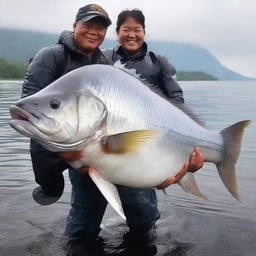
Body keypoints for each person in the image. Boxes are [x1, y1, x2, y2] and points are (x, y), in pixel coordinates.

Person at [21, 4, 204, 244]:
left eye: (100, 28)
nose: (93, 32)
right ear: (75, 26)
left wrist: (173, 160)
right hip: (86, 146)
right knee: (83, 221)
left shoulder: (142, 62)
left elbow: (174, 104)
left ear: (144, 32)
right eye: (88, 25)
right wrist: (70, 158)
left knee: (142, 215)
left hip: (125, 147)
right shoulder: (63, 56)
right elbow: (32, 106)